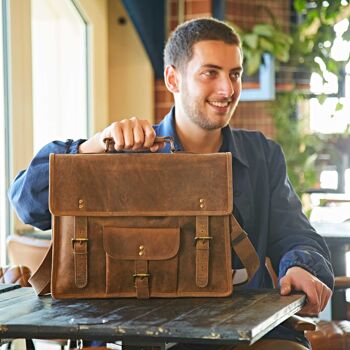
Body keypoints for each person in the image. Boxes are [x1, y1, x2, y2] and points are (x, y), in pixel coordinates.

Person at [9, 18, 333, 350]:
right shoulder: (122, 152)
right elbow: (25, 202)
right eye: (210, 73)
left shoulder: (264, 156)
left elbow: (297, 235)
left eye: (234, 74)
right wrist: (93, 147)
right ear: (172, 78)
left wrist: (299, 265)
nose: (227, 89)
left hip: (247, 336)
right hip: (135, 336)